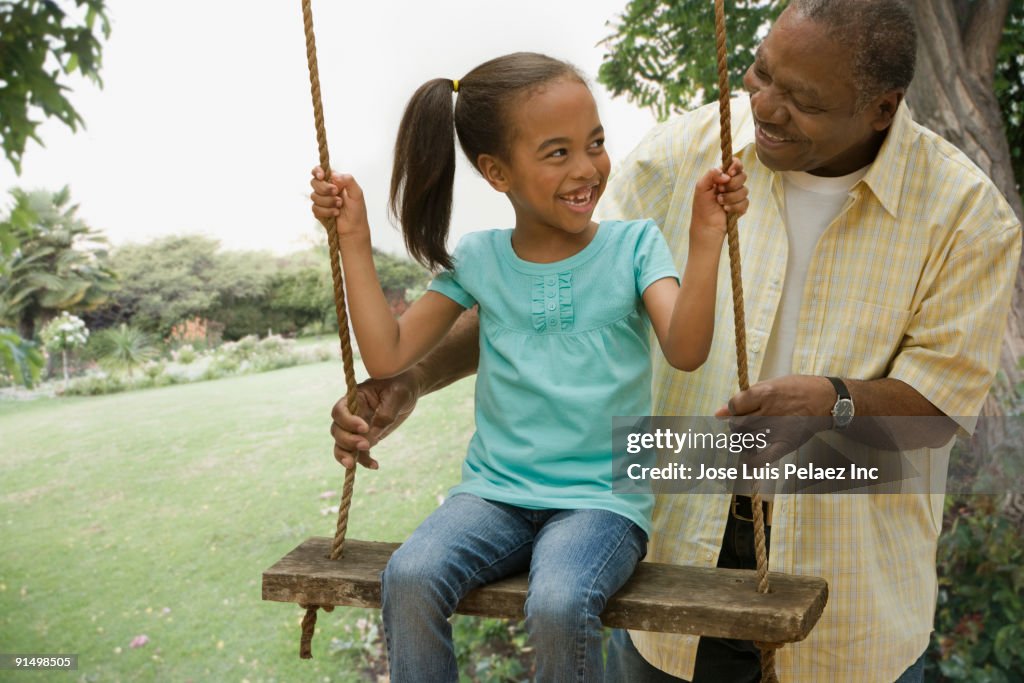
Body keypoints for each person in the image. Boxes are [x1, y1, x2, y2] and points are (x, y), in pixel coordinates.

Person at [317, 2, 1022, 681]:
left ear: (882, 108)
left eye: (801, 98)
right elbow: (544, 293)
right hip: (678, 533)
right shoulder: (687, 151)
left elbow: (936, 414)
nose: (766, 104)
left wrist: (834, 404)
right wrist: (408, 379)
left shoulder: (967, 218)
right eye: (762, 71)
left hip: (849, 587)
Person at [309, 52, 749, 682]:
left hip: (600, 502)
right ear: (496, 172)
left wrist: (706, 238)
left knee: (562, 600)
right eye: (557, 152)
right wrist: (352, 239)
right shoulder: (480, 258)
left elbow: (685, 347)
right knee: (408, 575)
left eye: (594, 143)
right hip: (494, 494)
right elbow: (389, 355)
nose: (587, 168)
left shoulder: (634, 246)